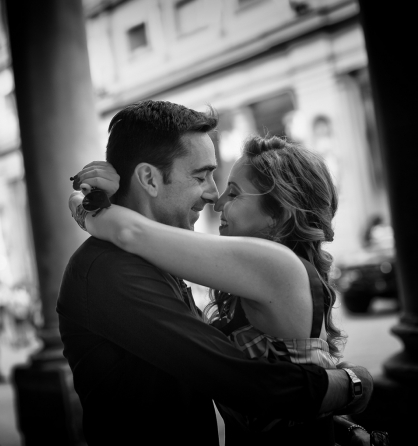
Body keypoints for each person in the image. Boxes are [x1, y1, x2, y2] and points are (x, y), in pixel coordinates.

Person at [57, 100, 373, 446]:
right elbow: (239, 379)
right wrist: (353, 385)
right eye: (200, 175)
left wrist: (88, 210)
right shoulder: (111, 271)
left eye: (229, 189)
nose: (214, 195)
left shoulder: (164, 256)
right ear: (148, 178)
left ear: (279, 214)